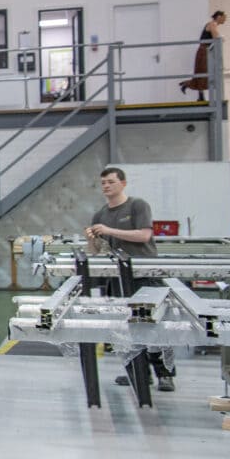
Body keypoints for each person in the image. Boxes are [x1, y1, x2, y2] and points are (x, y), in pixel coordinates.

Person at [87, 167, 174, 391]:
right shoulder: (100, 214)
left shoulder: (137, 205)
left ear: (123, 184)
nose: (106, 186)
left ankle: (165, 373)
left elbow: (145, 235)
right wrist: (91, 239)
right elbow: (95, 251)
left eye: (111, 182)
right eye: (103, 182)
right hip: (119, 277)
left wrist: (110, 230)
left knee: (155, 324)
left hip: (145, 275)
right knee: (126, 326)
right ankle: (138, 371)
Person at [180, 10, 226, 96]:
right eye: (224, 18)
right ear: (219, 17)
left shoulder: (213, 25)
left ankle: (192, 88)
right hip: (204, 51)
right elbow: (216, 37)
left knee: (204, 73)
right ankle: (192, 88)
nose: (225, 20)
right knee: (202, 72)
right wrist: (221, 38)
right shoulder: (212, 24)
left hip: (206, 50)